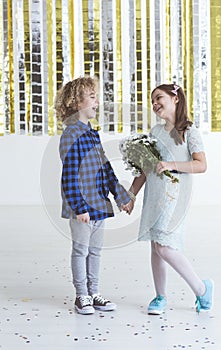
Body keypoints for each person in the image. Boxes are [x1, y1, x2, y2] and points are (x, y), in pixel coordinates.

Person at [123, 83, 213, 315]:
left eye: (159, 98)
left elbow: (201, 165)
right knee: (156, 247)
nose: (155, 104)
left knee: (164, 247)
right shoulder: (155, 132)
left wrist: (171, 165)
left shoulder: (189, 132)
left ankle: (202, 289)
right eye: (152, 101)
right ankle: (160, 296)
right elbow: (145, 168)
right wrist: (131, 194)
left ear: (175, 98)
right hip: (155, 195)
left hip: (174, 198)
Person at [55, 76, 131, 315]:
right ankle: (81, 296)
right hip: (83, 209)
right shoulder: (71, 134)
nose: (97, 101)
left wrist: (121, 197)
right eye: (92, 97)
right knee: (81, 250)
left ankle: (94, 292)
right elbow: (69, 175)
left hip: (98, 203)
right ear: (77, 102)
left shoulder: (92, 133)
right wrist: (79, 207)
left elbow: (105, 168)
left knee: (95, 251)